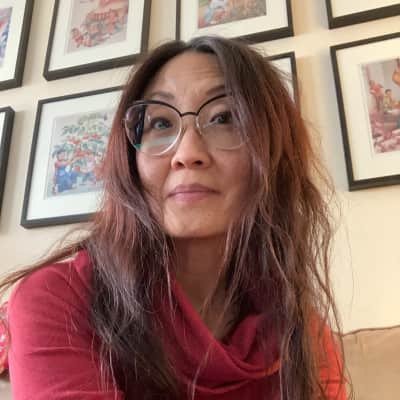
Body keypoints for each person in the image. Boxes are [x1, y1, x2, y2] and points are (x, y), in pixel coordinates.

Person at [0, 36, 348, 399]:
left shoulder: (302, 332)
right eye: (161, 123)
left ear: (275, 152)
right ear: (130, 161)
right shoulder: (57, 299)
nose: (186, 153)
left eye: (224, 118)